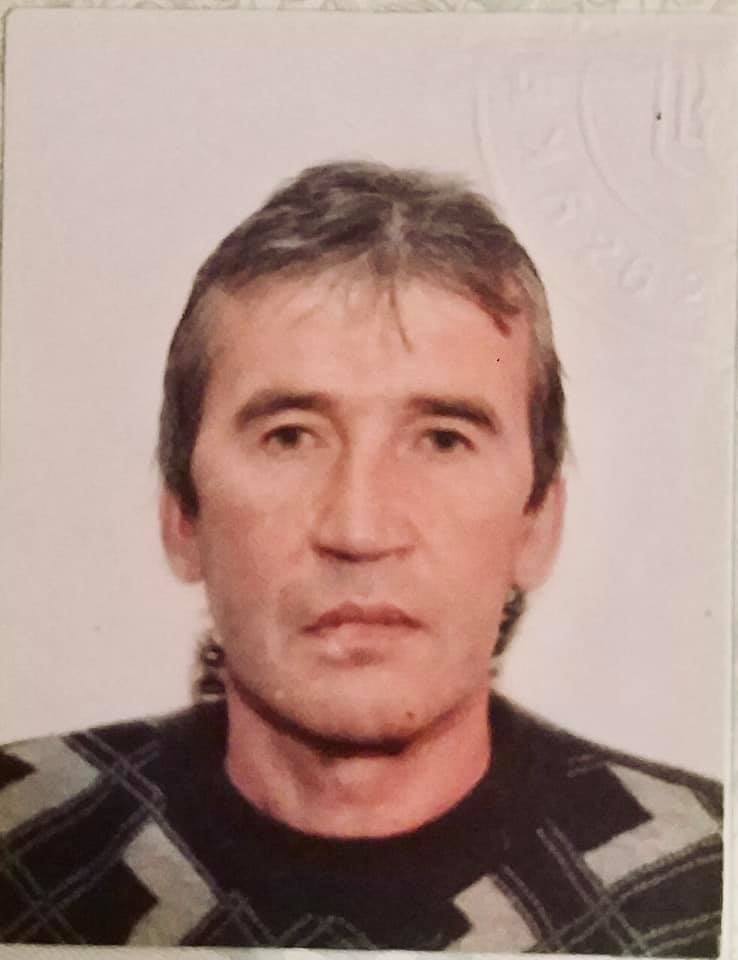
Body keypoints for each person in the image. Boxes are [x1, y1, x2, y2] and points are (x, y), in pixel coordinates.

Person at [0, 161, 722, 954]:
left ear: (536, 523)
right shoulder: (21, 838)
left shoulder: (700, 880)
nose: (360, 528)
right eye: (290, 437)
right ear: (182, 515)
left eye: (442, 439)